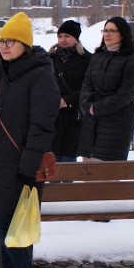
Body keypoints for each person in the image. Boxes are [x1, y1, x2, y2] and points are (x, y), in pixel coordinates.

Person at [0, 12, 60, 268]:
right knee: (3, 223)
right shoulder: (3, 72)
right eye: (1, 41)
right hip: (0, 163)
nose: (4, 46)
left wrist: (28, 165)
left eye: (10, 41)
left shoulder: (40, 75)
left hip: (22, 165)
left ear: (24, 43)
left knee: (7, 225)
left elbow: (43, 125)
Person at [77, 16, 134, 161]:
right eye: (105, 30)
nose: (107, 34)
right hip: (91, 123)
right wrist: (87, 105)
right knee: (87, 174)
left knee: (108, 176)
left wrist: (98, 108)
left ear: (122, 33)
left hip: (116, 125)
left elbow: (125, 94)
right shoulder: (98, 56)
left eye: (112, 31)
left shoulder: (132, 59)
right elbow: (86, 83)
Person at [48, 20, 91, 162]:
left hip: (74, 116)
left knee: (68, 158)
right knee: (51, 160)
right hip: (53, 114)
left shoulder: (87, 59)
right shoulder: (50, 58)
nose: (62, 40)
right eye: (60, 36)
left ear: (75, 38)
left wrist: (67, 101)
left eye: (67, 36)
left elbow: (88, 87)